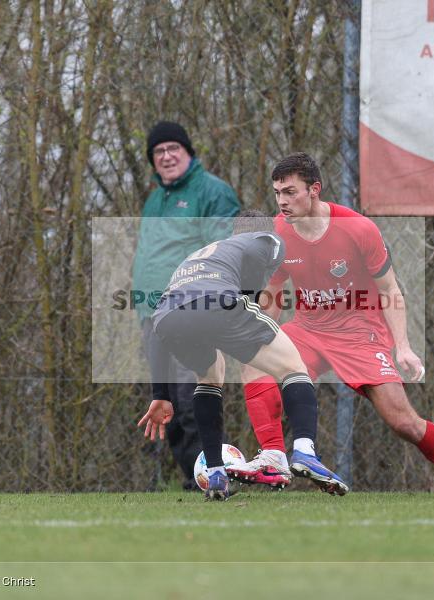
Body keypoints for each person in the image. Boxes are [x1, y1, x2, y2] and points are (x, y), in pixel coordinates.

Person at [227, 153, 434, 499]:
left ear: (315, 190)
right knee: (254, 361)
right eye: (278, 192)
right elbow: (274, 291)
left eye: (290, 192)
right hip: (309, 328)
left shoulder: (358, 229)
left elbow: (389, 289)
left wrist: (402, 346)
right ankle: (274, 457)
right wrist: (258, 332)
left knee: (403, 422)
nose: (282, 201)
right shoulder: (279, 232)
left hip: (360, 332)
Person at [137, 211, 348, 500]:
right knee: (292, 366)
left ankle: (215, 473)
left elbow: (159, 330)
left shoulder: (201, 256)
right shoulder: (267, 240)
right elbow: (250, 292)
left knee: (210, 376)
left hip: (168, 316)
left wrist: (160, 394)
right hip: (219, 302)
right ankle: (304, 451)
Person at [132, 121, 240, 490]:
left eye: (173, 148)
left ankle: (215, 473)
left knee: (191, 402)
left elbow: (223, 251)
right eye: (158, 152)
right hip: (154, 317)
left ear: (189, 151)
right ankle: (197, 480)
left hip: (190, 313)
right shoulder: (154, 199)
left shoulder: (212, 192)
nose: (166, 156)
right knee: (166, 411)